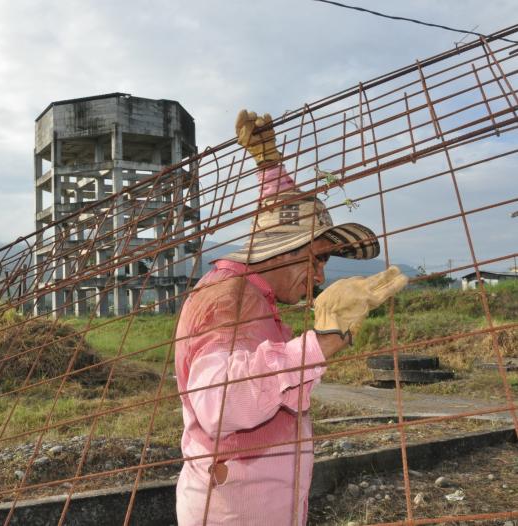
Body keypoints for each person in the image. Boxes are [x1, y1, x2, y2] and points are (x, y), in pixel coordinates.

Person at [174, 110, 408, 525]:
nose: (319, 277)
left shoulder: (253, 291)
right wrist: (323, 340)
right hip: (236, 513)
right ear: (283, 250)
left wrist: (269, 164)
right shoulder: (230, 300)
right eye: (317, 260)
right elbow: (218, 402)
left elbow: (283, 215)